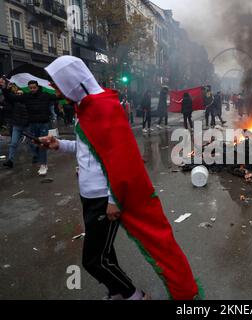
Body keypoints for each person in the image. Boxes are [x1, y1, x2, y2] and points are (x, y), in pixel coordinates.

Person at [39, 56, 200, 300]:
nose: (56, 89)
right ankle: (117, 291)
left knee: (92, 260)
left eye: (58, 83)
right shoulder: (84, 107)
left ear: (72, 82)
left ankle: (134, 296)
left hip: (104, 197)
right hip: (89, 195)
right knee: (105, 254)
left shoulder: (104, 107)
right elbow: (87, 147)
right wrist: (59, 144)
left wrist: (113, 199)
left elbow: (121, 157)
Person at [1, 79, 59, 176]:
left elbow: (57, 97)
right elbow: (12, 98)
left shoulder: (45, 95)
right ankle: (39, 159)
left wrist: (59, 88)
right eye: (30, 88)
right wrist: (5, 89)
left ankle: (43, 165)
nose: (32, 89)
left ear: (38, 87)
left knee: (42, 144)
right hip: (32, 124)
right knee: (34, 144)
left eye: (34, 88)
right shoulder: (26, 96)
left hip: (43, 124)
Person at [0, 82, 28, 169]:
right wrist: (6, 88)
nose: (19, 95)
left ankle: (36, 156)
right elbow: (7, 97)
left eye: (21, 93)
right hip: (17, 124)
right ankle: (10, 161)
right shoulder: (14, 102)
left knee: (32, 144)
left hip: (27, 125)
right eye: (18, 93)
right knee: (13, 143)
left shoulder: (29, 102)